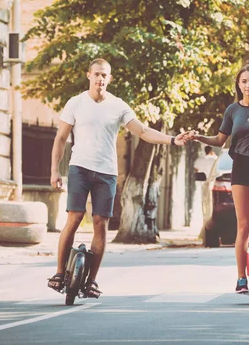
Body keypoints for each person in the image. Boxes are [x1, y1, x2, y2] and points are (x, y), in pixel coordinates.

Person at [48, 58, 190, 297]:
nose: (100, 79)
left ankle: (92, 280)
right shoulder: (75, 103)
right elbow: (61, 138)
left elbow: (143, 131)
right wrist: (54, 170)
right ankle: (60, 272)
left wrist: (172, 140)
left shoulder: (118, 106)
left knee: (100, 224)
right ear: (89, 75)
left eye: (104, 75)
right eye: (96, 74)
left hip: (106, 172)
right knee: (74, 217)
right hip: (79, 168)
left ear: (109, 78)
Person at [189, 63, 249, 294]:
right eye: (244, 81)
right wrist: (198, 137)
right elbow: (220, 140)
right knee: (243, 226)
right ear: (239, 84)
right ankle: (241, 278)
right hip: (241, 167)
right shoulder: (232, 110)